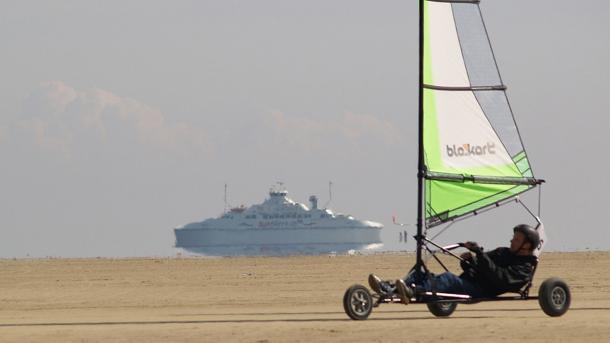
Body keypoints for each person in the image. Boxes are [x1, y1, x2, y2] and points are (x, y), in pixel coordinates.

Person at [369, 224, 540, 303]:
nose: (512, 241)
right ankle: (389, 289)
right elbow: (481, 265)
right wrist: (470, 261)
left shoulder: (524, 268)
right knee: (421, 272)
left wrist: (479, 254)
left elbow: (501, 278)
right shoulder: (503, 251)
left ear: (527, 245)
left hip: (480, 290)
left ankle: (412, 291)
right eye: (514, 237)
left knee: (448, 279)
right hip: (469, 282)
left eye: (517, 239)